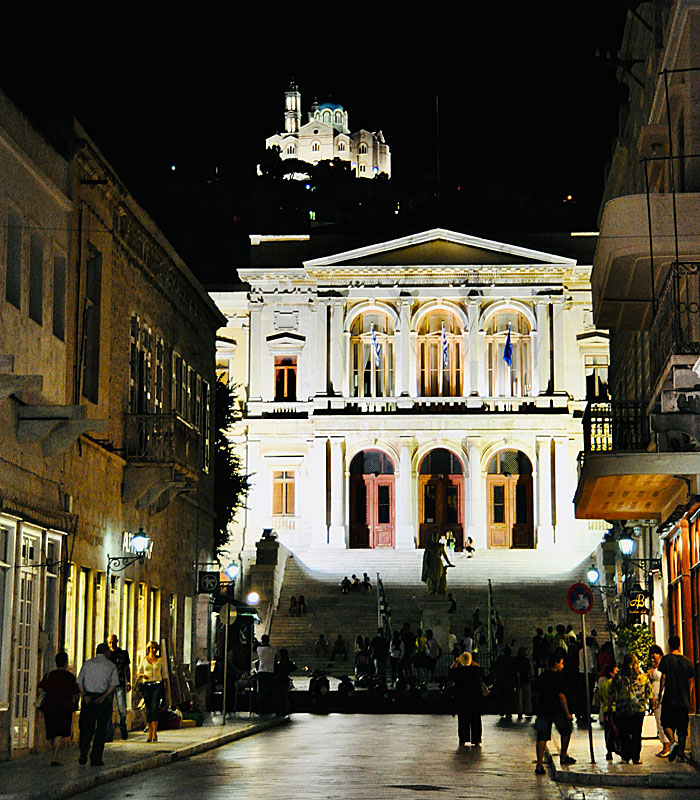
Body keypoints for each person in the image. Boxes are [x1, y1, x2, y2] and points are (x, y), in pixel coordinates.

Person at [76, 642, 119, 766]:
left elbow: (79, 681)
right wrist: (103, 697)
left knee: (86, 728)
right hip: (102, 699)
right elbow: (113, 685)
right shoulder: (110, 666)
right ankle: (96, 758)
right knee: (100, 730)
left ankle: (83, 753)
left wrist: (84, 695)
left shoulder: (87, 664)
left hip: (88, 699)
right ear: (106, 652)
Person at [534, 653, 575, 775]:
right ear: (556, 663)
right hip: (557, 709)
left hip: (543, 709)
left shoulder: (542, 676)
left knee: (542, 737)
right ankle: (563, 755)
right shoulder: (559, 677)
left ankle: (539, 764)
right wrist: (567, 712)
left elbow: (536, 692)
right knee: (566, 731)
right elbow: (561, 695)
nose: (562, 665)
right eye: (561, 663)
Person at [608, 653, 651, 764]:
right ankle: (636, 757)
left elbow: (612, 693)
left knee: (624, 734)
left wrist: (609, 708)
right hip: (638, 709)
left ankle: (626, 756)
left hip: (622, 709)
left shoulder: (618, 677)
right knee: (637, 734)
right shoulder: (642, 677)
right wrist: (647, 703)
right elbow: (648, 693)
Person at [38, 651, 79, 766]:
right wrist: (75, 702)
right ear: (65, 663)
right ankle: (55, 756)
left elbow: (40, 689)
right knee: (60, 733)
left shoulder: (49, 675)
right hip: (64, 708)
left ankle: (54, 754)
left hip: (50, 707)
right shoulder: (70, 677)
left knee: (52, 732)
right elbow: (76, 693)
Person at [659, 634, 695, 762]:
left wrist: (659, 695)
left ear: (669, 645)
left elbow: (663, 678)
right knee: (682, 728)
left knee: (666, 723)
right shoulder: (687, 661)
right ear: (679, 645)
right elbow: (691, 680)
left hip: (670, 697)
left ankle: (673, 742)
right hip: (683, 699)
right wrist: (689, 696)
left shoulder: (666, 660)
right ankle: (680, 753)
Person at [135, 640, 169, 742]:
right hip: (147, 685)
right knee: (148, 708)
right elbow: (139, 671)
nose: (152, 650)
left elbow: (165, 675)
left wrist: (166, 689)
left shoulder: (160, 660)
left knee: (155, 707)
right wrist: (142, 675)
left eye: (154, 648)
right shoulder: (144, 660)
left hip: (157, 685)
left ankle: (155, 732)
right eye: (150, 648)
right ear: (148, 649)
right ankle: (149, 732)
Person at [450, 651, 483, 746]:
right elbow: (480, 668)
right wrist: (471, 661)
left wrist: (456, 661)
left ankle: (463, 739)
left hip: (462, 699)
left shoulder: (458, 672)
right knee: (476, 720)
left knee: (463, 721)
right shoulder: (475, 671)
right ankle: (477, 739)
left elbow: (451, 670)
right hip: (474, 699)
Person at [106, 633, 131, 741]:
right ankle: (109, 733)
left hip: (120, 683)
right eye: (110, 642)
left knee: (122, 708)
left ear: (117, 641)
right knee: (108, 709)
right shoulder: (106, 655)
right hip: (108, 685)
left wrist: (128, 682)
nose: (112, 644)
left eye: (113, 642)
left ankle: (123, 725)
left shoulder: (123, 653)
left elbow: (127, 668)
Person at [648, 644, 670, 758]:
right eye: (652, 653)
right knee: (658, 721)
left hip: (661, 694)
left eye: (655, 653)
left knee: (662, 721)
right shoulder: (654, 667)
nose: (653, 655)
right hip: (654, 694)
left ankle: (667, 745)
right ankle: (664, 744)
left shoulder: (663, 666)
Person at [598, 664, 619, 760]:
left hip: (606, 710)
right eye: (616, 671)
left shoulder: (603, 684)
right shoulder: (614, 683)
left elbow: (601, 697)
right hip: (614, 710)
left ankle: (609, 751)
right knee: (617, 731)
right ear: (611, 673)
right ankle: (618, 748)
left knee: (608, 732)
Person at [255, 634, 277, 715]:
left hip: (261, 672)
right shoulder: (273, 650)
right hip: (271, 672)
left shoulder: (259, 649)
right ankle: (269, 708)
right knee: (270, 691)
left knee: (261, 691)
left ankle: (261, 709)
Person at [274, 648, 296, 716]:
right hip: (284, 680)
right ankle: (285, 709)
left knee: (281, 696)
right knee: (284, 695)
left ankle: (282, 709)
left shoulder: (281, 663)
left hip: (280, 680)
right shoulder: (288, 662)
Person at [515, 646, 532, 720]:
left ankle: (520, 711)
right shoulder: (526, 660)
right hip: (525, 679)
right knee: (527, 696)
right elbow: (529, 670)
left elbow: (517, 671)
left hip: (521, 679)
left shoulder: (517, 660)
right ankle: (527, 710)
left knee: (520, 697)